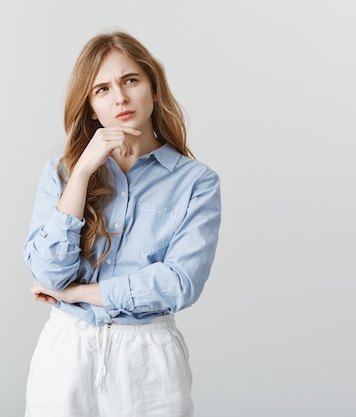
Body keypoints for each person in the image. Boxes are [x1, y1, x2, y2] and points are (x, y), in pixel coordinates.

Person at [23, 29, 221, 417]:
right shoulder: (61, 174)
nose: (120, 97)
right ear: (91, 108)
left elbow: (178, 284)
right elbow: (48, 271)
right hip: (65, 352)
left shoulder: (196, 182)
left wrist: (78, 294)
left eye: (130, 80)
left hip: (148, 359)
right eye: (102, 89)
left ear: (153, 87)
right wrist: (82, 175)